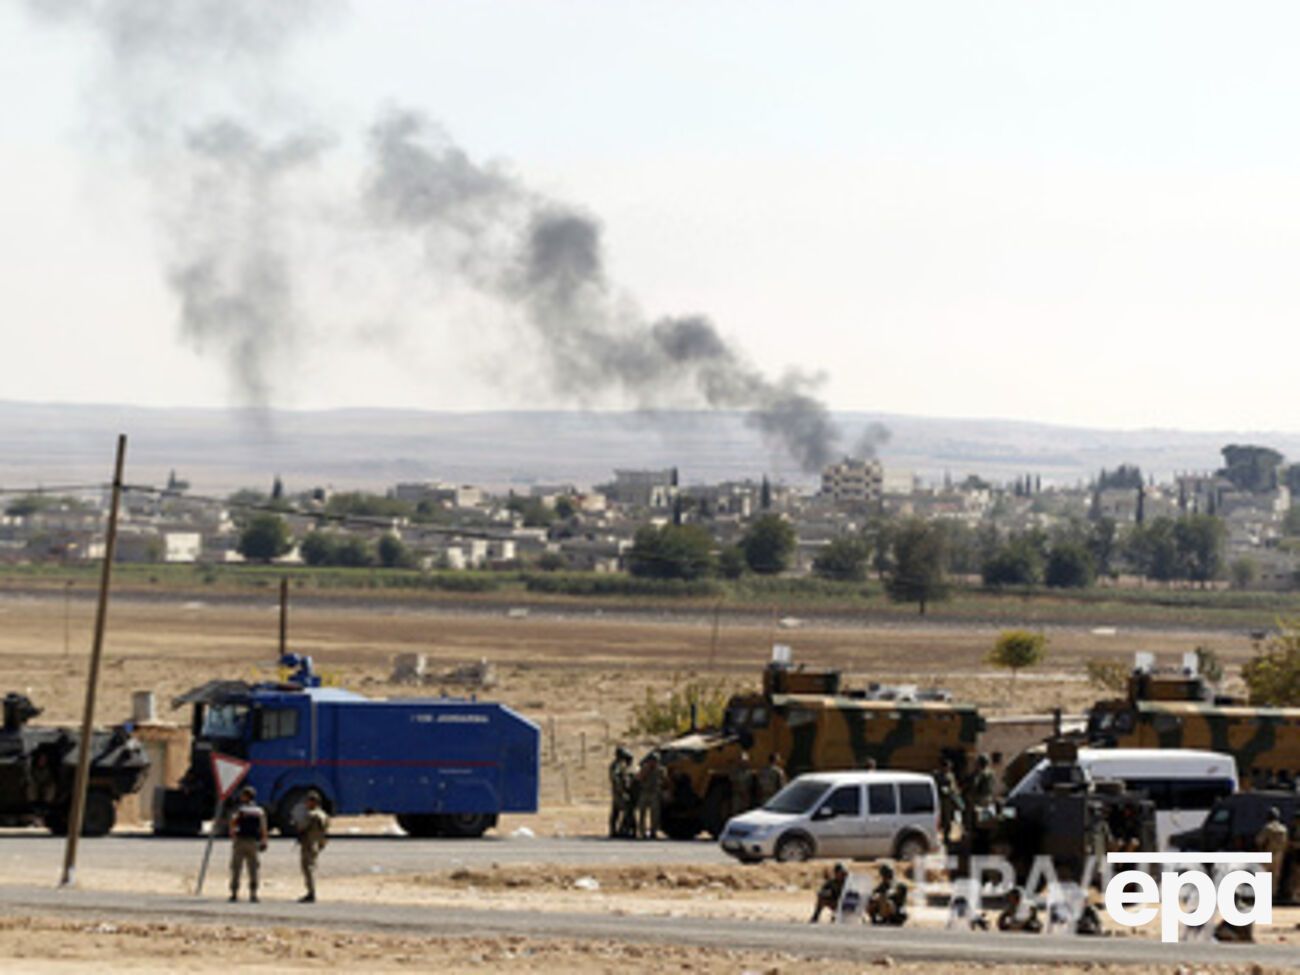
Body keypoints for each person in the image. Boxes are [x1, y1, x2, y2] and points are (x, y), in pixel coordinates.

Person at [228, 785, 268, 903]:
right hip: (253, 842)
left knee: (236, 868)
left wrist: (233, 835)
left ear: (246, 797)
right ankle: (253, 893)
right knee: (253, 869)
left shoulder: (240, 810)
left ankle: (234, 893)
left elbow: (232, 825)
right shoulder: (259, 811)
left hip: (240, 841)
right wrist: (264, 841)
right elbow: (263, 828)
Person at [297, 791, 329, 903]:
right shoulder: (323, 815)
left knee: (308, 869)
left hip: (308, 844)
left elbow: (302, 827)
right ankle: (311, 892)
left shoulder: (311, 815)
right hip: (317, 843)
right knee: (311, 867)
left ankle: (311, 892)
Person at [1256, 806, 1290, 898]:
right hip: (1279, 854)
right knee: (1275, 876)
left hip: (1267, 853)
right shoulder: (1283, 829)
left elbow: (1259, 841)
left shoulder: (1268, 828)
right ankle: (1272, 895)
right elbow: (1286, 842)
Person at [636, 753, 667, 839]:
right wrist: (645, 771)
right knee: (642, 813)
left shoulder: (661, 770)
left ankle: (654, 831)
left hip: (655, 793)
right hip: (645, 792)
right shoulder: (645, 768)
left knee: (655, 815)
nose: (654, 763)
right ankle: (642, 832)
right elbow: (639, 778)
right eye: (652, 761)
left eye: (655, 761)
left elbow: (664, 780)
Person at [934, 759, 963, 846]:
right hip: (941, 800)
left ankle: (946, 837)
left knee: (948, 820)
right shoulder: (938, 775)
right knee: (940, 820)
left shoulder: (950, 775)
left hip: (949, 800)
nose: (948, 769)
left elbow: (954, 787)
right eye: (947, 767)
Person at [608, 747, 635, 838]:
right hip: (619, 792)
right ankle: (621, 830)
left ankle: (616, 830)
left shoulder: (619, 765)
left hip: (619, 791)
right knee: (625, 810)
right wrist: (622, 791)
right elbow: (616, 780)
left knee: (616, 811)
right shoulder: (617, 766)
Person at [729, 752, 756, 819]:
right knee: (735, 811)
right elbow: (734, 781)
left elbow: (750, 783)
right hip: (737, 794)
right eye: (743, 761)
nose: (744, 763)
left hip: (745, 794)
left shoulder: (748, 772)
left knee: (745, 811)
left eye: (745, 761)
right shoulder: (735, 771)